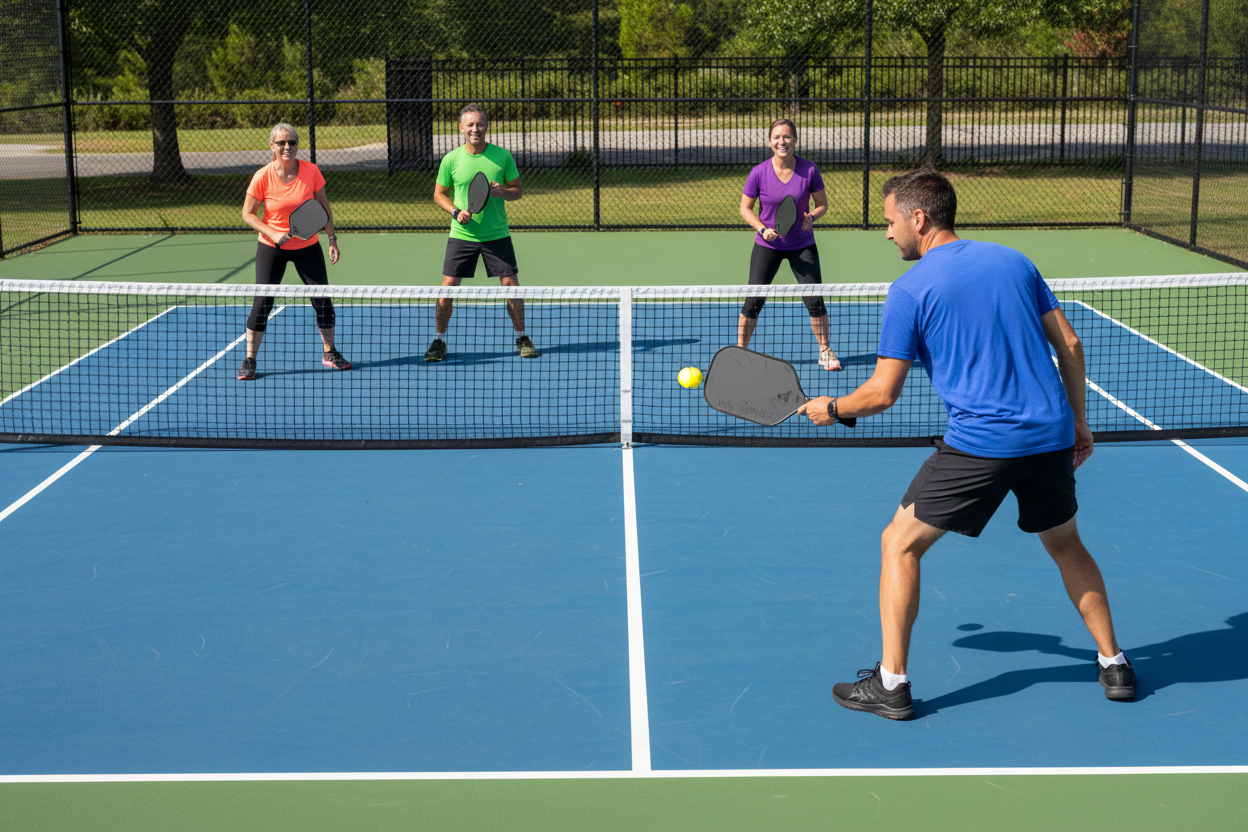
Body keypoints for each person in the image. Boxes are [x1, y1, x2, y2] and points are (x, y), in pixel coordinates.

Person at [797, 169, 1134, 719]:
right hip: (1049, 435)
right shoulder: (1015, 261)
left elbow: (883, 394)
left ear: (919, 218)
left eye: (889, 222)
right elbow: (1069, 343)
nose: (887, 234)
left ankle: (891, 684)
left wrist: (831, 408)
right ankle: (1114, 662)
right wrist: (1079, 421)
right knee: (1067, 544)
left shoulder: (909, 289)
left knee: (897, 544)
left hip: (982, 443)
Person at [238, 123, 351, 381]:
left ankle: (329, 352)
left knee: (322, 299)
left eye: (292, 142)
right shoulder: (262, 176)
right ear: (272, 147)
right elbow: (247, 214)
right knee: (262, 303)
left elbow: (323, 208)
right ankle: (250, 359)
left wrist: (332, 239)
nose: (287, 147)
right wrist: (272, 233)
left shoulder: (311, 171)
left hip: (307, 246)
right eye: (281, 143)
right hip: (271, 247)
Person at [425, 103, 538, 363]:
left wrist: (503, 192)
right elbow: (438, 194)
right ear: (461, 127)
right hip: (462, 235)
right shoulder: (451, 160)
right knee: (447, 290)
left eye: (480, 124)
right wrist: (455, 212)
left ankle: (522, 336)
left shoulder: (502, 157)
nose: (476, 129)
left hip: (496, 235)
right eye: (470, 124)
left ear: (486, 127)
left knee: (511, 287)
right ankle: (439, 341)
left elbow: (518, 190)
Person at [738, 118, 840, 371]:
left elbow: (822, 205)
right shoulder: (759, 172)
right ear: (770, 141)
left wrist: (811, 217)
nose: (781, 142)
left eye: (787, 137)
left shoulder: (809, 170)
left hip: (801, 244)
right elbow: (745, 208)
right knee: (753, 300)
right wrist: (762, 229)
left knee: (814, 299)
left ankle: (825, 350)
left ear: (794, 140)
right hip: (767, 245)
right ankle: (739, 353)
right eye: (776, 137)